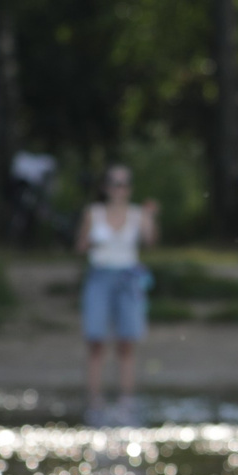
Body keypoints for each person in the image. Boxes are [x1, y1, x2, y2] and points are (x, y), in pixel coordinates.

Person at [75, 164, 157, 409]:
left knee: (126, 343)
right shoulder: (93, 213)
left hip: (128, 279)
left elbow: (151, 242)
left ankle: (126, 399)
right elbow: (80, 246)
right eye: (114, 183)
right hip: (99, 276)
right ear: (105, 187)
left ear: (129, 188)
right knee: (96, 341)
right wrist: (93, 242)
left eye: (123, 184)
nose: (118, 189)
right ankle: (94, 399)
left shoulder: (138, 214)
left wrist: (151, 217)